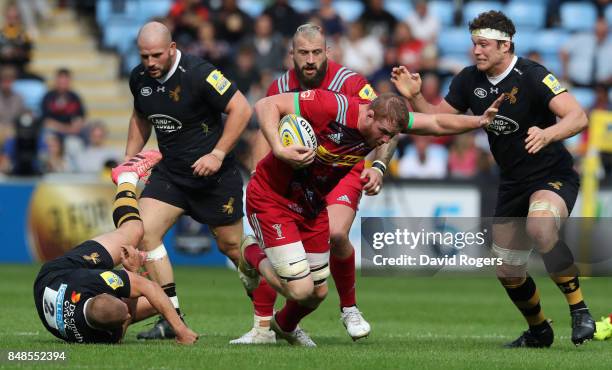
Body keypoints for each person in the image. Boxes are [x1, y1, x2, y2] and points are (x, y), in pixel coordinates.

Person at [238, 88, 503, 346]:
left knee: (317, 293)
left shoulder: (383, 122)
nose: (386, 141)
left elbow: (434, 122)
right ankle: (251, 253)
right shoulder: (331, 106)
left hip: (311, 204)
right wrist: (279, 147)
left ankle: (284, 327)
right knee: (300, 290)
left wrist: (478, 121)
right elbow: (265, 105)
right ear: (368, 116)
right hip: (273, 197)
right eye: (385, 133)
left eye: (393, 135)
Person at [391, 10, 594, 347]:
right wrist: (414, 96)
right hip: (513, 181)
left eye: (483, 44)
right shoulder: (468, 80)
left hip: (552, 174)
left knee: (540, 227)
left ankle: (580, 310)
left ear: (505, 45)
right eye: (473, 44)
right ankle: (539, 330)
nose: (476, 51)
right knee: (507, 270)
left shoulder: (533, 75)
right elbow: (439, 123)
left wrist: (549, 134)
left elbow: (578, 116)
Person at [231, 23, 386, 344]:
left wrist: (380, 166)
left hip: (342, 170)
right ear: (292, 55)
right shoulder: (280, 86)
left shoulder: (350, 83)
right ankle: (270, 327)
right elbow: (267, 130)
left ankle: (349, 308)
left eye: (317, 52)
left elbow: (387, 121)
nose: (311, 59)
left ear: (328, 52)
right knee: (290, 264)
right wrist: (263, 179)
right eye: (304, 53)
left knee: (337, 233)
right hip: (300, 176)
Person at [126, 21, 252, 340]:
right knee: (144, 232)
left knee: (233, 248)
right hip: (172, 173)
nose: (150, 63)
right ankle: (171, 318)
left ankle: (270, 317)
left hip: (213, 176)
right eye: (144, 56)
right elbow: (141, 118)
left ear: (172, 49)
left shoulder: (199, 73)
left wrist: (218, 154)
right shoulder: (139, 79)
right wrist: (130, 164)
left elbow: (241, 109)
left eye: (156, 55)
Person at [33, 149, 198, 345]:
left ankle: (126, 177)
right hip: (67, 295)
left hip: (56, 275)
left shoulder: (91, 282)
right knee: (163, 301)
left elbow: (145, 288)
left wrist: (181, 331)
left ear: (103, 292)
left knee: (134, 231)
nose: (128, 314)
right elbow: (133, 305)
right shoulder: (108, 337)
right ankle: (127, 177)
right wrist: (133, 272)